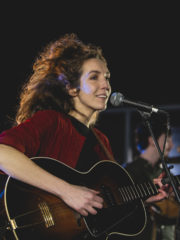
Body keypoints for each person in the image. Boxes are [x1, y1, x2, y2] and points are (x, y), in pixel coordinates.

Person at [0, 33, 169, 240]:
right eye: (94, 77)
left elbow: (105, 204)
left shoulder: (101, 140)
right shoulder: (52, 121)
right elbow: (2, 153)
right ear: (71, 88)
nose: (106, 85)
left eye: (107, 77)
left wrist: (145, 196)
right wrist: (67, 191)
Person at [125, 116, 178, 240]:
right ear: (152, 140)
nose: (171, 145)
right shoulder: (129, 172)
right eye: (167, 139)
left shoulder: (163, 171)